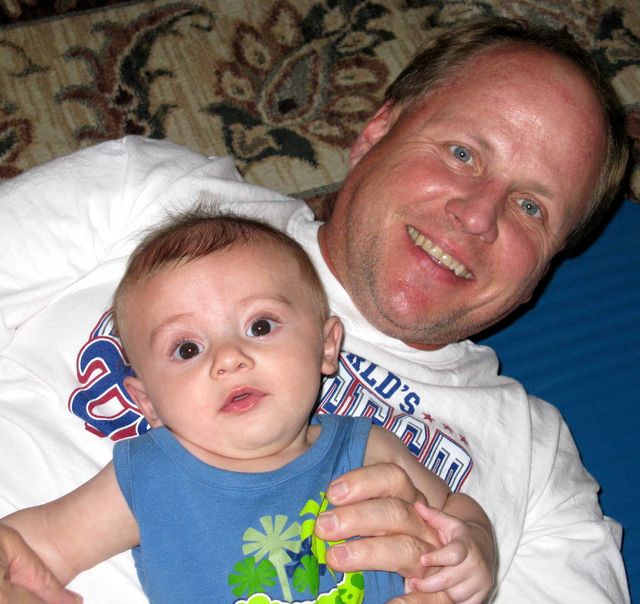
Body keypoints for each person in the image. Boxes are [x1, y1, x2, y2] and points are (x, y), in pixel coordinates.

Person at [0, 16, 631, 603]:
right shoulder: (158, 193)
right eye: (463, 153)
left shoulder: (536, 461)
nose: (476, 216)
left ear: (543, 269)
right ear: (375, 134)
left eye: (531, 208)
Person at [1, 209, 496, 604]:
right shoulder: (148, 475)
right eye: (187, 349)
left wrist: (474, 546)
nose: (229, 358)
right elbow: (36, 547)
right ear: (148, 401)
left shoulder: (365, 449)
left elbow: (454, 509)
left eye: (259, 326)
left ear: (326, 347)